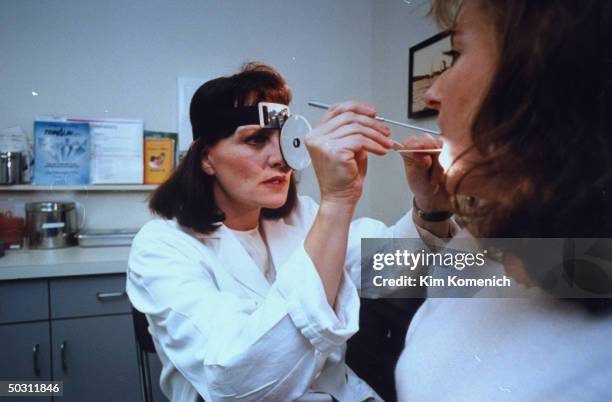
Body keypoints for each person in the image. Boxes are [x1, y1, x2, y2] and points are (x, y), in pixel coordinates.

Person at [126, 63, 442, 402]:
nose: (281, 158)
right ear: (206, 158)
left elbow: (390, 272)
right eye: (255, 139)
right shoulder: (163, 246)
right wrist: (336, 202)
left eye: (285, 139)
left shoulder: (302, 216)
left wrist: (430, 208)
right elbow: (235, 379)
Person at [395, 1, 612, 400]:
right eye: (255, 140)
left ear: (544, 75)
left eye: (455, 55)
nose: (433, 93)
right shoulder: (496, 238)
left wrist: (340, 202)